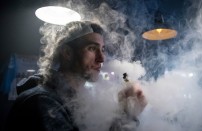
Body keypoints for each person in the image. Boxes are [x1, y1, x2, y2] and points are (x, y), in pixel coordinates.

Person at [4, 21, 147, 131]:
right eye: (92, 48)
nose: (101, 58)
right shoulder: (42, 101)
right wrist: (127, 117)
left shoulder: (73, 102)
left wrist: (124, 113)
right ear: (67, 53)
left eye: (102, 49)